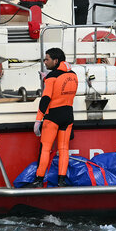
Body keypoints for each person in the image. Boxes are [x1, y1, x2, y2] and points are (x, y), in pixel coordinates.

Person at [27, 48, 79, 188]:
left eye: (47, 59)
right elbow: (64, 90)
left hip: (53, 117)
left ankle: (39, 180)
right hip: (68, 116)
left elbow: (46, 99)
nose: (45, 62)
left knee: (45, 148)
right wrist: (47, 78)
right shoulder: (74, 75)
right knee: (63, 149)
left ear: (55, 61)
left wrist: (38, 120)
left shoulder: (51, 78)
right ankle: (61, 181)